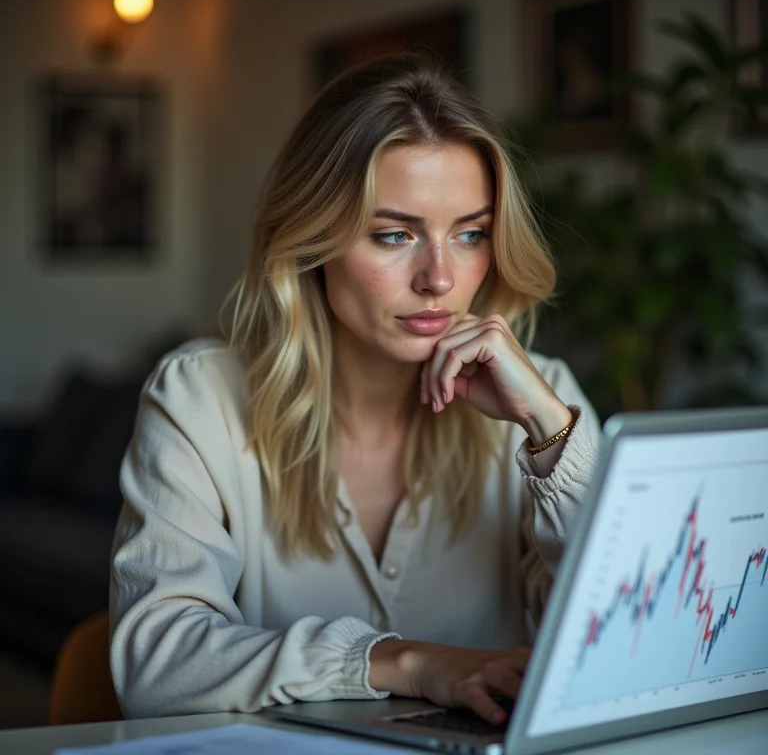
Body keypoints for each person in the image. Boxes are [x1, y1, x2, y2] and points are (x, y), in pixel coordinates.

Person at [109, 52, 602, 726]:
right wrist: (404, 662)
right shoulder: (201, 399)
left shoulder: (543, 401)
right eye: (394, 234)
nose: (439, 277)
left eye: (470, 234)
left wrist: (553, 437)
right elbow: (156, 666)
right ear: (312, 238)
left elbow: (622, 641)